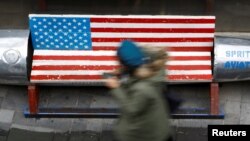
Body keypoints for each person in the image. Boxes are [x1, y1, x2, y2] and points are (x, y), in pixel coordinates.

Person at [104, 40, 173, 141]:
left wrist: (115, 88)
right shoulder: (152, 65)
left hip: (145, 134)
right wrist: (123, 71)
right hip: (158, 128)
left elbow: (132, 109)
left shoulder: (142, 88)